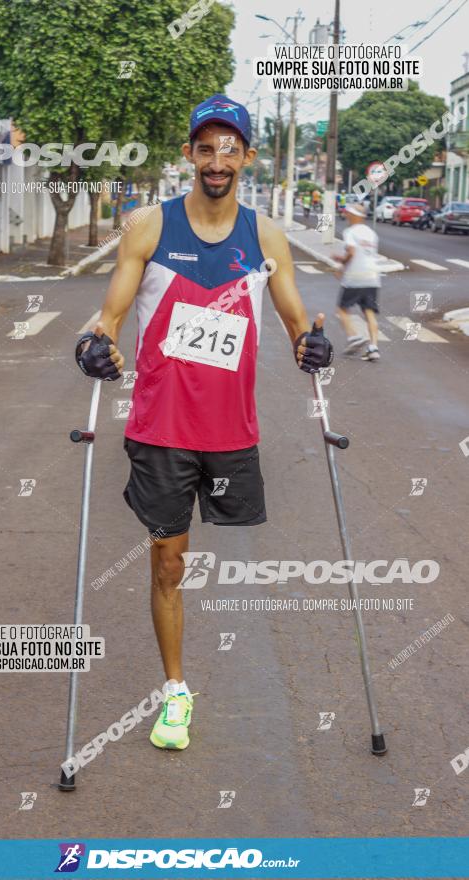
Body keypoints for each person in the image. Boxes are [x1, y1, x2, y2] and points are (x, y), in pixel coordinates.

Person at [75, 93, 333, 751]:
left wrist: (311, 343)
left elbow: (295, 319)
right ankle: (175, 693)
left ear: (245, 156)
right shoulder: (148, 230)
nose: (216, 160)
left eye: (229, 147)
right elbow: (106, 318)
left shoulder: (264, 236)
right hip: (160, 426)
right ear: (189, 154)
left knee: (213, 557)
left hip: (230, 430)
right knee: (167, 562)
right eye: (204, 147)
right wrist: (94, 343)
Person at [333, 201, 381, 361]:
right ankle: (373, 348)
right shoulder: (371, 233)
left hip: (355, 276)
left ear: (354, 215)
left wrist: (341, 265)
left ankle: (354, 337)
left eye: (348, 213)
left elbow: (352, 253)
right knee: (369, 312)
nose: (346, 215)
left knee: (342, 309)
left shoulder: (350, 232)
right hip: (372, 276)